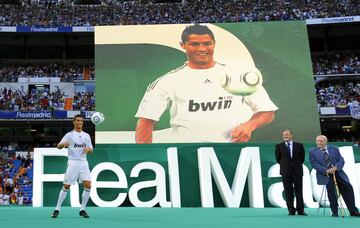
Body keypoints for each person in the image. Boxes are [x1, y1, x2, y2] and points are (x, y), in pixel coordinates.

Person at [135, 24, 278, 143]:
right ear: (182, 45)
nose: (202, 49)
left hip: (232, 152)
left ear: (214, 44)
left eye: (207, 43)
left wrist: (249, 126)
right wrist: (147, 155)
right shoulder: (167, 81)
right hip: (186, 155)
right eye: (194, 44)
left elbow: (267, 111)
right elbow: (145, 122)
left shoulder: (239, 75)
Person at [51, 114, 93, 218]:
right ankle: (57, 209)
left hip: (83, 162)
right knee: (66, 186)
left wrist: (89, 150)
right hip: (73, 162)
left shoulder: (86, 135)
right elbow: (58, 146)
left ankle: (82, 209)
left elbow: (91, 149)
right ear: (74, 122)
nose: (80, 122)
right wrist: (63, 144)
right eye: (78, 120)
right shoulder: (69, 135)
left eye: (82, 121)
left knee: (88, 185)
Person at [309, 135, 360, 217]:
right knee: (331, 192)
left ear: (326, 141)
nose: (319, 143)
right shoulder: (312, 151)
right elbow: (314, 164)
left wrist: (336, 167)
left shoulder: (334, 148)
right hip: (326, 175)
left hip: (338, 172)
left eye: (321, 141)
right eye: (318, 141)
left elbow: (341, 160)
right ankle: (334, 212)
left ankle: (353, 211)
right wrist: (326, 170)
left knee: (348, 188)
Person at [275, 129, 307, 216]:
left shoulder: (299, 145)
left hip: (297, 172)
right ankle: (291, 210)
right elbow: (278, 159)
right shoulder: (279, 146)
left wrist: (295, 165)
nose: (284, 136)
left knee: (299, 191)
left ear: (291, 135)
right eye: (283, 134)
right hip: (285, 172)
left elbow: (302, 158)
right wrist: (286, 166)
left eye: (286, 134)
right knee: (288, 191)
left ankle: (300, 210)